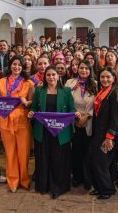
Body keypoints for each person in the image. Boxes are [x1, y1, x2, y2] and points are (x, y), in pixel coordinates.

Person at [29, 65, 79, 199]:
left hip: (61, 131)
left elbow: (71, 109)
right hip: (43, 131)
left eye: (53, 75)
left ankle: (58, 187)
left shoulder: (66, 91)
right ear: (45, 77)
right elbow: (34, 107)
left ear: (58, 76)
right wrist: (31, 112)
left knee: (59, 160)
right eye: (48, 75)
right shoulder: (39, 90)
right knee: (43, 159)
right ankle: (44, 186)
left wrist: (76, 113)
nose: (51, 77)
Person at [85, 67, 118, 200]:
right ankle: (99, 187)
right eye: (102, 77)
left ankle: (107, 190)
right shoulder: (102, 91)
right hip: (99, 134)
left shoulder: (116, 94)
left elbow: (116, 118)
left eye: (108, 77)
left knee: (100, 163)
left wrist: (110, 138)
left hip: (109, 136)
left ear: (114, 78)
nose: (105, 79)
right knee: (93, 160)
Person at [0, 55, 34, 192]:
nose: (16, 67)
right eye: (14, 64)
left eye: (19, 65)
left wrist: (26, 102)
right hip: (5, 121)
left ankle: (24, 179)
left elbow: (32, 102)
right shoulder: (1, 82)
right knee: (10, 152)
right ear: (10, 65)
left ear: (23, 67)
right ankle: (12, 180)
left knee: (23, 153)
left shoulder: (28, 83)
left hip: (22, 120)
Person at [65, 60, 97, 189]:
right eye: (81, 68)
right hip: (74, 121)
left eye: (86, 68)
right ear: (77, 69)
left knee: (88, 152)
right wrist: (76, 116)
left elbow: (98, 103)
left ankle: (87, 178)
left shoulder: (95, 84)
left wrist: (87, 116)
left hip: (89, 121)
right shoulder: (70, 83)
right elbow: (66, 101)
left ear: (90, 70)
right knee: (76, 152)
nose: (84, 70)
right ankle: (77, 177)